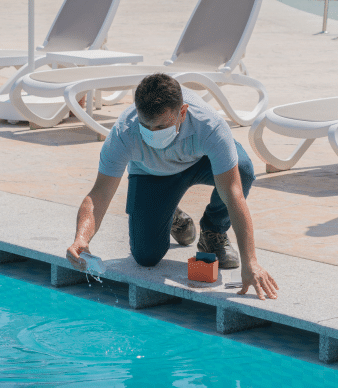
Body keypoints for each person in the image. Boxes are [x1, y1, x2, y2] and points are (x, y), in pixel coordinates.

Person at [66, 73, 278, 300]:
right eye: (145, 125)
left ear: (182, 112)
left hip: (200, 162)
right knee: (146, 256)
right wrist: (82, 239)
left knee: (243, 170)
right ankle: (170, 215)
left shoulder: (210, 125)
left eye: (161, 126)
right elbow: (99, 193)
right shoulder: (123, 133)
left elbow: (233, 194)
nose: (152, 133)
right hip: (152, 174)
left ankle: (213, 231)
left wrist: (251, 262)